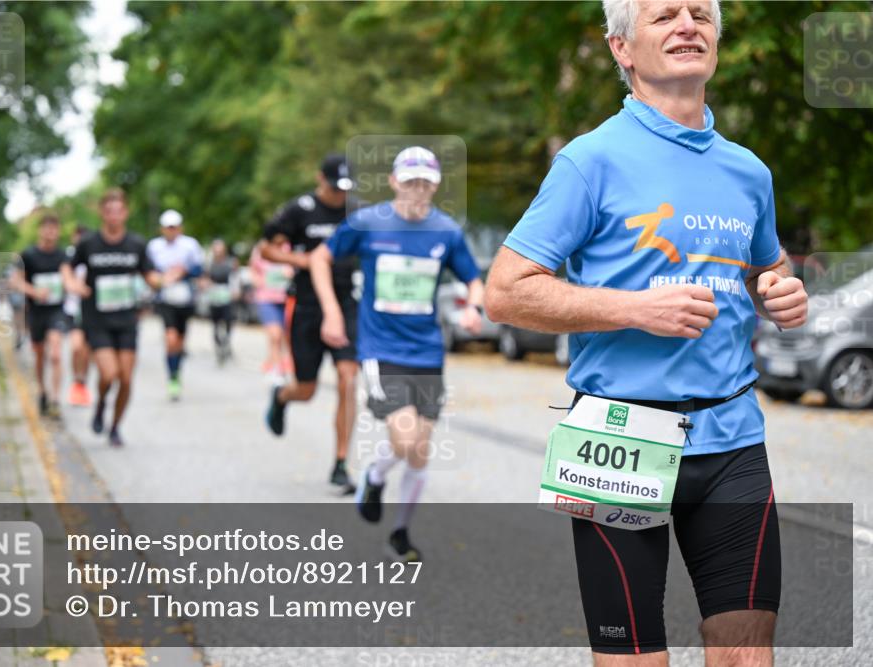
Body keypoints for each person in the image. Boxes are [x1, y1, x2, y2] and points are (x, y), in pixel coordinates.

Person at [485, 0, 809, 661]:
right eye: (665, 16)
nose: (688, 25)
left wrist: (778, 289)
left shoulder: (748, 170)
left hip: (731, 440)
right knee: (635, 657)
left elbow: (764, 267)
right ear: (622, 50)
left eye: (700, 14)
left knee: (747, 652)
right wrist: (635, 309)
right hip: (616, 439)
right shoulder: (590, 160)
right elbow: (505, 293)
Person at [312, 146, 483, 562]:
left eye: (425, 183)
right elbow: (321, 257)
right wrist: (332, 313)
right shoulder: (368, 223)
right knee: (405, 438)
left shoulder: (445, 231)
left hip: (427, 352)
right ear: (394, 182)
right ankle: (373, 475)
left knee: (419, 451)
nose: (417, 191)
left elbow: (472, 278)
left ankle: (399, 532)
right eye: (410, 182)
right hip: (380, 348)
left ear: (435, 186)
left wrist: (474, 308)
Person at [262, 154, 360, 491]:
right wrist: (301, 259)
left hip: (347, 302)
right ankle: (281, 397)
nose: (339, 196)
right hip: (306, 305)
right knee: (306, 390)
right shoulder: (299, 210)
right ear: (320, 179)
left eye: (345, 189)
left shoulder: (357, 212)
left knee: (349, 379)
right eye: (334, 188)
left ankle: (341, 463)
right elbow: (267, 250)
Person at [62, 189, 161, 447]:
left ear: (125, 213)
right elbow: (67, 268)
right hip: (97, 320)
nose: (114, 216)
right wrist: (72, 284)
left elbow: (149, 275)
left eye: (119, 211)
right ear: (102, 214)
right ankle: (101, 403)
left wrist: (163, 280)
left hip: (127, 319)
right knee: (109, 373)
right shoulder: (89, 243)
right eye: (109, 211)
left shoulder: (136, 244)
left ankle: (115, 426)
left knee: (126, 379)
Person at [14, 214, 69, 418]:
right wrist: (35, 291)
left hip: (57, 310)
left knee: (55, 353)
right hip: (36, 311)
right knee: (39, 355)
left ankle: (55, 399)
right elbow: (17, 282)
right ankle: (42, 392)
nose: (50, 233)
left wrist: (70, 284)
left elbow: (67, 276)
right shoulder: (28, 255)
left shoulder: (63, 256)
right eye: (47, 229)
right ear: (40, 231)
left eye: (54, 229)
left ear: (58, 232)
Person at [147, 210, 206, 400]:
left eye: (174, 227)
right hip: (165, 298)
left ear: (180, 228)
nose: (171, 231)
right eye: (167, 228)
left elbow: (199, 268)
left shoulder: (190, 245)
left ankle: (176, 370)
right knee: (170, 338)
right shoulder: (154, 247)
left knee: (180, 341)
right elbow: (148, 270)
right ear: (162, 229)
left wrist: (184, 271)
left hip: (185, 298)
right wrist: (162, 277)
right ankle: (172, 377)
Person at [249, 240, 294, 383]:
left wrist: (291, 273)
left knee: (286, 336)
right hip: (267, 299)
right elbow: (253, 269)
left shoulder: (290, 247)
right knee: (275, 335)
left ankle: (284, 364)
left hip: (287, 298)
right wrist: (257, 281)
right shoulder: (261, 248)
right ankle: (277, 369)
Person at [64, 225, 93, 407]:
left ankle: (83, 383)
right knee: (76, 348)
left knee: (86, 351)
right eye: (78, 236)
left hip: (90, 311)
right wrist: (75, 285)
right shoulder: (69, 257)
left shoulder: (93, 256)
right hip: (73, 308)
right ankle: (76, 381)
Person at [203, 239, 240, 365]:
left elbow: (235, 278)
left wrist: (235, 292)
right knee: (215, 324)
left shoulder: (231, 263)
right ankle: (219, 346)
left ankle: (227, 342)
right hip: (214, 297)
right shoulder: (210, 264)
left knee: (228, 321)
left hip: (227, 296)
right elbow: (205, 279)